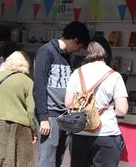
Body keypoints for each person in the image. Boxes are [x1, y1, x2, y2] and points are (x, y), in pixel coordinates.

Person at [64, 36, 129, 167]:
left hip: (80, 133)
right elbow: (122, 110)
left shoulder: (77, 73)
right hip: (106, 134)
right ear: (107, 53)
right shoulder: (114, 76)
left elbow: (68, 103)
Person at [33, 21, 90, 167]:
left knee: (58, 158)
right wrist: (43, 117)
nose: (78, 50)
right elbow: (39, 85)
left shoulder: (66, 56)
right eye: (79, 46)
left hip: (64, 116)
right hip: (50, 115)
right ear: (75, 40)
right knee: (47, 160)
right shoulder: (46, 51)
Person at [0, 51, 37, 166]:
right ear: (25, 64)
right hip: (20, 129)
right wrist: (34, 131)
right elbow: (31, 110)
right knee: (18, 161)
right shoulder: (28, 82)